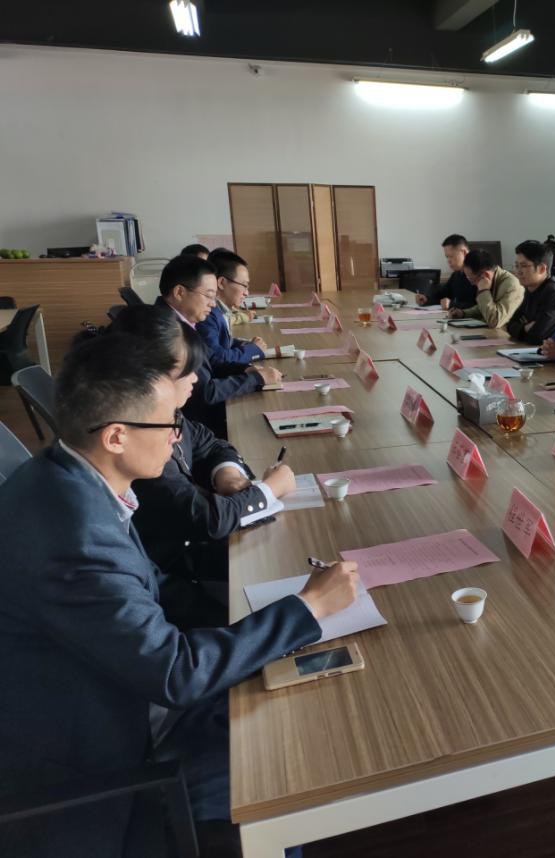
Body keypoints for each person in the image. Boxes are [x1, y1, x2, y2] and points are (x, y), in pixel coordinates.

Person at [0, 333, 358, 858]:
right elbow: (176, 674)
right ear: (116, 436)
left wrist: (259, 608)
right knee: (287, 761)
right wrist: (308, 608)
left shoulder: (69, 478)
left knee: (291, 683)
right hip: (108, 765)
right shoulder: (74, 536)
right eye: (168, 422)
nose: (178, 436)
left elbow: (156, 590)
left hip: (120, 691)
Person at [106, 306, 296, 626]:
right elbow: (207, 520)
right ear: (151, 378)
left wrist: (228, 474)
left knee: (284, 555)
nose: (196, 378)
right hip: (173, 569)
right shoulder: (139, 441)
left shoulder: (164, 413)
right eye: (188, 371)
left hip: (182, 552)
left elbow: (211, 443)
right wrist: (269, 489)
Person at [155, 254, 280, 437]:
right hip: (196, 427)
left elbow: (210, 362)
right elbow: (204, 393)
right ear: (179, 292)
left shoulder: (181, 323)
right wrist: (255, 379)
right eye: (208, 295)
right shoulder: (166, 332)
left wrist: (245, 370)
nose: (213, 304)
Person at [195, 249, 268, 366]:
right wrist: (252, 350)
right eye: (244, 285)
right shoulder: (207, 314)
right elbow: (216, 358)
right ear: (221, 283)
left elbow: (223, 343)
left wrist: (247, 345)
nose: (247, 293)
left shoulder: (221, 310)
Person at [505, 240, 555, 345]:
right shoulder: (530, 289)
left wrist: (522, 329)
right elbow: (509, 326)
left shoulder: (554, 294)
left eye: (524, 266)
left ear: (542, 269)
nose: (518, 271)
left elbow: (536, 337)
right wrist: (525, 328)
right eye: (517, 265)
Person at [448, 248, 524, 330]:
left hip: (509, 335)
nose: (472, 284)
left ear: (486, 275)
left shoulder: (511, 285)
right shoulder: (491, 279)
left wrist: (483, 291)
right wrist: (463, 313)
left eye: (471, 279)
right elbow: (483, 308)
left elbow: (494, 321)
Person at [416, 234, 476, 310]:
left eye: (451, 256)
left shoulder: (477, 274)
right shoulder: (457, 274)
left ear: (464, 252)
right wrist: (426, 299)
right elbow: (443, 294)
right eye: (447, 257)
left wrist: (452, 304)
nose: (448, 261)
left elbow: (479, 307)